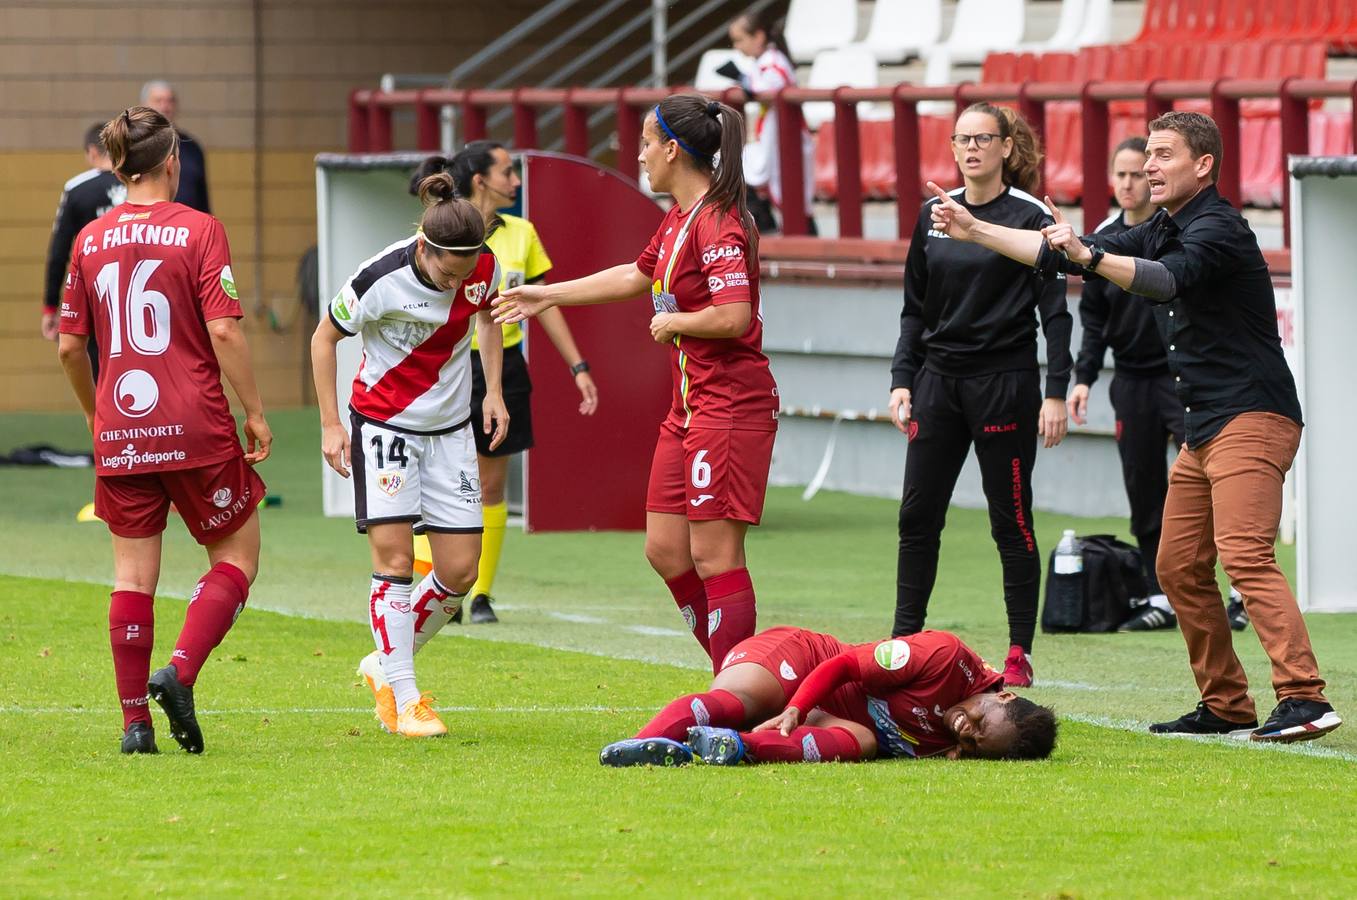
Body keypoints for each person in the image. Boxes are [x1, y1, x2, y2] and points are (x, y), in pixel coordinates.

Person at [924, 111, 1341, 743]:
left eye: (1163, 154)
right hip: (1208, 426)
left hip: (1252, 414)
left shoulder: (1219, 227)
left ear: (1203, 165)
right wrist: (974, 228)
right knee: (1175, 567)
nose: (1149, 164)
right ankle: (1226, 702)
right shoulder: (1163, 227)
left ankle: (1304, 697)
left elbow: (1161, 281)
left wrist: (1090, 254)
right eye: (1147, 153)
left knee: (1245, 554)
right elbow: (1053, 255)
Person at [495, 94, 778, 675]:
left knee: (713, 554)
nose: (639, 154)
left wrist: (674, 320)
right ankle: (739, 678)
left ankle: (739, 693)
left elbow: (734, 316)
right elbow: (635, 273)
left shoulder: (720, 219)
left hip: (729, 405)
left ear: (673, 149)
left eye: (647, 142)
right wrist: (547, 293)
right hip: (689, 407)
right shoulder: (680, 217)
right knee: (665, 549)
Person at [57, 106, 272, 755]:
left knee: (131, 577)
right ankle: (178, 672)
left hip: (123, 427)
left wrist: (98, 418)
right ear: (171, 161)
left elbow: (69, 347)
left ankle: (133, 726)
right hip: (196, 423)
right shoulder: (201, 229)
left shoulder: (88, 240)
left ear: (118, 165)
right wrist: (255, 410)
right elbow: (225, 329)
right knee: (235, 557)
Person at [311, 172, 508, 739]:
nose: (458, 281)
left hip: (451, 433)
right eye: (449, 270)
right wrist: (330, 424)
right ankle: (405, 697)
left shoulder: (482, 266)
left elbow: (488, 316)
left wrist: (492, 390)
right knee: (395, 561)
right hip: (383, 427)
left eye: (467, 270)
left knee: (459, 571)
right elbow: (325, 338)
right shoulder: (380, 277)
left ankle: (385, 663)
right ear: (425, 247)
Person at [888, 102, 1072, 688]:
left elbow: (1057, 315)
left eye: (982, 139)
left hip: (1005, 385)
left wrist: (1056, 392)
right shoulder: (933, 216)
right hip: (937, 383)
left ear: (1006, 148)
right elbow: (915, 307)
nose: (970, 149)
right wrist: (901, 378)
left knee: (1010, 521)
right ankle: (903, 642)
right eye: (961, 139)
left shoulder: (1032, 215)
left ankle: (1019, 652)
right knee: (918, 515)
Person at [406, 145, 599, 624]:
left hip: (503, 367)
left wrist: (578, 366)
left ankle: (481, 596)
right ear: (479, 180)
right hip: (445, 365)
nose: (516, 181)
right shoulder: (441, 231)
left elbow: (543, 302)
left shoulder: (523, 234)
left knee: (491, 483)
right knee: (431, 480)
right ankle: (437, 587)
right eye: (507, 172)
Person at [1073, 138, 1247, 634]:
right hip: (1130, 382)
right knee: (1143, 488)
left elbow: (1172, 281)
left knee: (1216, 483)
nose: (1132, 181)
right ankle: (1158, 595)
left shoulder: (1187, 235)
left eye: (1141, 171)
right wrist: (1083, 378)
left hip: (1183, 380)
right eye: (1123, 174)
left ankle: (1238, 590)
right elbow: (1093, 322)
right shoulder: (1103, 238)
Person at [599, 626, 1058, 766]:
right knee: (745, 704)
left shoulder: (953, 743)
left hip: (830, 712)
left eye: (975, 744)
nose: (966, 731)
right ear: (1001, 697)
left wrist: (961, 748)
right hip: (804, 659)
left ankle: (731, 747)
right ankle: (640, 743)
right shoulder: (943, 654)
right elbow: (841, 666)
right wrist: (796, 708)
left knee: (863, 743)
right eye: (978, 723)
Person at [42, 122, 126, 363]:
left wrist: (50, 305)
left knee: (99, 370)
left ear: (92, 152)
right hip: (139, 288)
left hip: (95, 293)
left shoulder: (78, 189)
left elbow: (59, 252)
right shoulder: (140, 184)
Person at [726, 7, 814, 233]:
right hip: (772, 138)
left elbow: (769, 86)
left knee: (793, 197)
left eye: (740, 40)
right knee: (749, 176)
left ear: (759, 36)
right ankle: (766, 233)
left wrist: (744, 82)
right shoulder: (763, 61)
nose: (737, 47)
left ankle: (785, 238)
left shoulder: (774, 61)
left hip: (786, 139)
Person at [140, 80, 210, 213]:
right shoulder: (136, 144)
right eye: (158, 101)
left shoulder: (191, 147)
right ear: (144, 106)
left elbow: (202, 198)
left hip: (188, 225)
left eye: (170, 101)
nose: (165, 107)